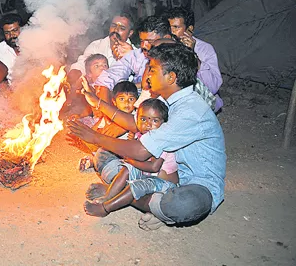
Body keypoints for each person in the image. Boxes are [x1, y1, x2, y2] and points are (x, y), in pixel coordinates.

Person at [69, 43, 226, 230]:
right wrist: (99, 103)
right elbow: (135, 122)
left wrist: (95, 137)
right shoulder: (167, 100)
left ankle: (123, 195)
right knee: (103, 156)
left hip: (195, 185)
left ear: (171, 77)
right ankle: (129, 194)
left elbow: (142, 152)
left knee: (184, 204)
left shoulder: (190, 110)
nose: (147, 73)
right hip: (162, 176)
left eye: (152, 69)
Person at [84, 98, 179, 217]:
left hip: (164, 185)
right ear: (136, 120)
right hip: (149, 176)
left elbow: (154, 167)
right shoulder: (142, 136)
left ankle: (105, 208)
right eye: (143, 119)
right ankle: (108, 196)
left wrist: (131, 160)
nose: (148, 125)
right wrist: (130, 161)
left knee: (133, 186)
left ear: (164, 124)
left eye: (155, 120)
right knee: (127, 168)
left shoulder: (162, 141)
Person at [163, 7, 223, 110]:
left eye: (176, 27)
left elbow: (213, 87)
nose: (172, 32)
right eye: (169, 27)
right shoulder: (165, 45)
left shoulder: (204, 49)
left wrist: (192, 54)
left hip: (198, 100)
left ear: (189, 29)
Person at [82, 81, 139, 177]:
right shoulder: (109, 117)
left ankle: (121, 173)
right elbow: (95, 134)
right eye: (122, 99)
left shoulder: (137, 117)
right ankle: (96, 163)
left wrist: (133, 138)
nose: (126, 102)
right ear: (114, 102)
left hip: (130, 152)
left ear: (136, 101)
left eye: (131, 99)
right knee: (100, 152)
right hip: (114, 151)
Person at [67, 13, 136, 89]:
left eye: (122, 28)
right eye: (113, 26)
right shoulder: (96, 46)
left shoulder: (135, 54)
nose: (116, 30)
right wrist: (73, 75)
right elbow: (82, 64)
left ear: (130, 33)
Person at [0, 13, 22, 83]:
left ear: (23, 28)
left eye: (15, 30)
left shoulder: (34, 44)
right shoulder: (0, 49)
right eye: (7, 33)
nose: (11, 35)